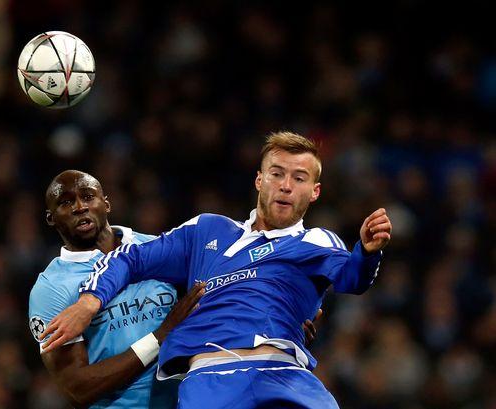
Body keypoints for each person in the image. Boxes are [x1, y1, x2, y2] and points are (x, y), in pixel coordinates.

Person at [42, 131, 389, 408]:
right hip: (211, 380)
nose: (286, 185)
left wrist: (368, 252)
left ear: (314, 192)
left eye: (299, 178)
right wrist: (88, 303)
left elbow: (352, 279)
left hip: (283, 373)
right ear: (259, 180)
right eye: (277, 174)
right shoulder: (207, 231)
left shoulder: (316, 241)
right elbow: (129, 258)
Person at [28, 170, 206, 408]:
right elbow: (77, 388)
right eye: (66, 202)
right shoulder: (51, 289)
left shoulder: (153, 247)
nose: (80, 207)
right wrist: (158, 338)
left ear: (106, 204)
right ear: (51, 218)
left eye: (88, 196)